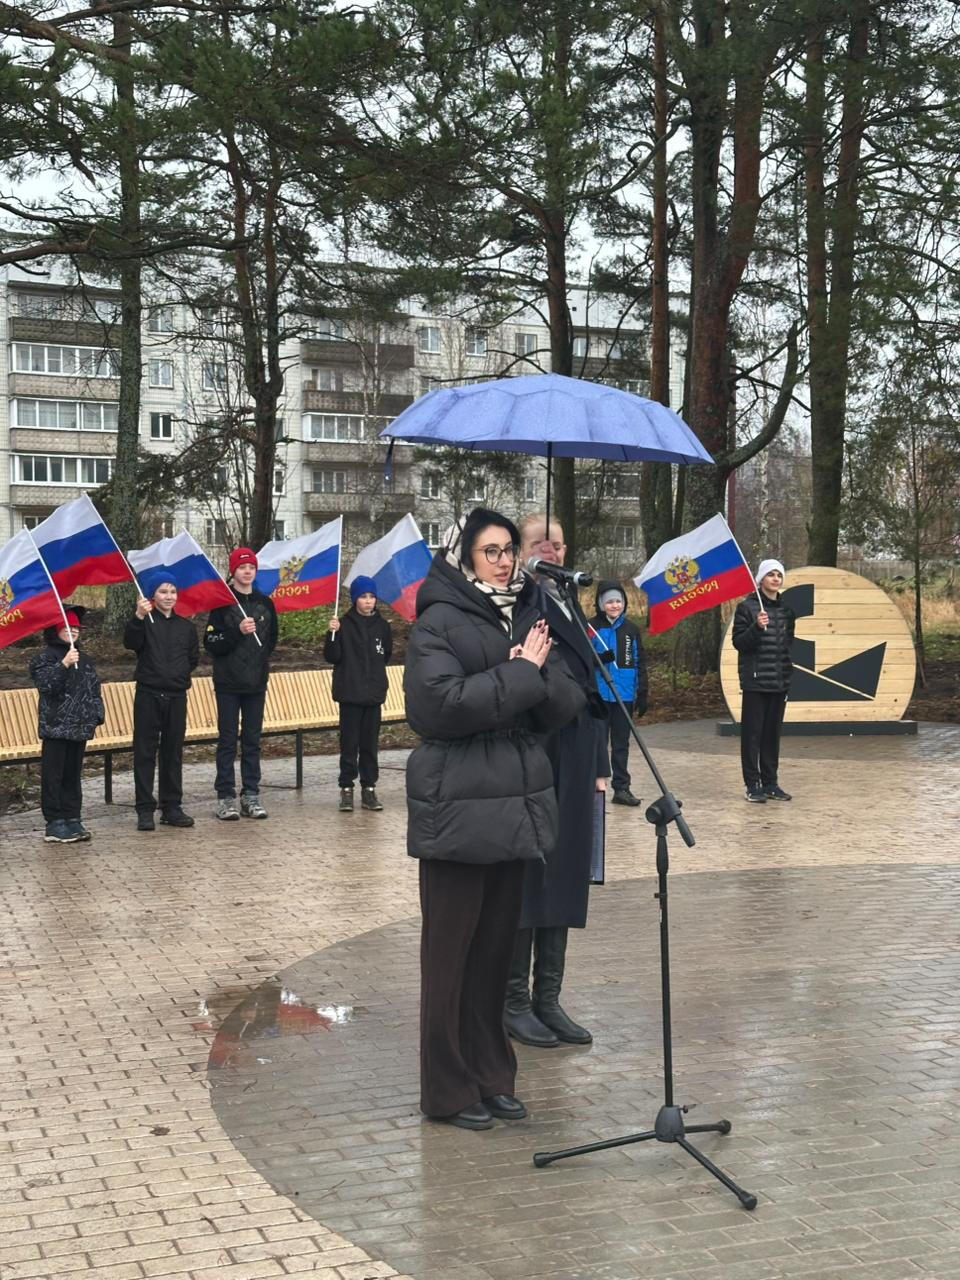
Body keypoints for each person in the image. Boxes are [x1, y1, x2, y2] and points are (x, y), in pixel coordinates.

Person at [405, 508, 584, 1130]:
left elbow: (565, 701)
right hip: (456, 809)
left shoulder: (529, 611)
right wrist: (520, 673)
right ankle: (447, 1090)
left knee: (492, 958)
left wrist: (530, 677)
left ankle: (490, 1075)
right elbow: (439, 707)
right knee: (450, 961)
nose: (505, 561)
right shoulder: (437, 619)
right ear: (466, 558)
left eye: (509, 549)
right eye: (491, 551)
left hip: (513, 806)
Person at [503, 515, 610, 1050]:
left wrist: (601, 766)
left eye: (559, 544)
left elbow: (594, 692)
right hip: (538, 754)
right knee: (531, 876)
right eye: (540, 543)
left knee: (565, 873)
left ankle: (548, 998)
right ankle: (514, 1002)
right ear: (520, 552)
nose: (552, 551)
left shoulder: (570, 603)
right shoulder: (519, 605)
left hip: (578, 756)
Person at [204, 547, 278, 820]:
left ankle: (251, 794)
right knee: (227, 740)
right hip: (228, 683)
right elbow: (211, 643)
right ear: (233, 570)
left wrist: (257, 663)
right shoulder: (222, 603)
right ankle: (225, 797)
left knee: (252, 740)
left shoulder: (265, 603)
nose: (247, 572)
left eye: (251, 568)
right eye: (242, 567)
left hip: (256, 682)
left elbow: (271, 640)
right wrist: (237, 631)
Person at [124, 579, 199, 831]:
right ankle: (145, 809)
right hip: (149, 694)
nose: (168, 596)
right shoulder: (145, 621)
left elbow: (192, 659)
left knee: (172, 752)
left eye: (173, 591)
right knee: (145, 752)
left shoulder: (186, 627)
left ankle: (172, 806)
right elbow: (130, 643)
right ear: (153, 596)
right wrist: (138, 616)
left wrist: (178, 675)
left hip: (176, 696)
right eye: (163, 591)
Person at [29, 607, 104, 845]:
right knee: (54, 775)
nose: (73, 631)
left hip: (80, 726)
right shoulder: (44, 659)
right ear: (55, 629)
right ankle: (54, 822)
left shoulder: (84, 659)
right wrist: (63, 664)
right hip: (56, 727)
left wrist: (96, 714)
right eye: (67, 627)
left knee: (73, 775)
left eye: (76, 627)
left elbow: (93, 689)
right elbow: (46, 686)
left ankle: (73, 816)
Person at [323, 575, 392, 813]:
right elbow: (332, 656)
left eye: (372, 596)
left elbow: (385, 654)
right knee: (349, 743)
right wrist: (332, 634)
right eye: (363, 596)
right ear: (355, 599)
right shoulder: (343, 624)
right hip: (350, 694)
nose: (368, 601)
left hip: (373, 695)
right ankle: (346, 787)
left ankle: (369, 788)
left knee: (369, 744)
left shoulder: (382, 626)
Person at [732, 558, 795, 803]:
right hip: (756, 682)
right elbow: (739, 643)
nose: (775, 579)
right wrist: (756, 627)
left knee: (772, 736)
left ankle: (770, 783)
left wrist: (786, 675)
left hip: (779, 683)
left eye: (779, 575)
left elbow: (787, 645)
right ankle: (752, 784)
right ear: (760, 579)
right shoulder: (747, 608)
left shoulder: (787, 612)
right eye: (771, 574)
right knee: (753, 736)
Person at [588, 580, 649, 807]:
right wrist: (598, 659)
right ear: (600, 604)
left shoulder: (631, 629)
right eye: (609, 602)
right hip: (599, 696)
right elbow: (581, 657)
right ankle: (595, 785)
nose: (614, 606)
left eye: (618, 601)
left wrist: (642, 692)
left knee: (621, 744)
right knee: (598, 743)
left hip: (624, 696)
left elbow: (639, 661)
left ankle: (621, 788)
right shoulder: (591, 627)